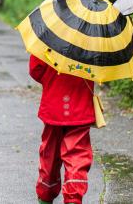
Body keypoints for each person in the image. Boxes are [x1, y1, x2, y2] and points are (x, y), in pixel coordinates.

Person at [29, 55, 95, 204]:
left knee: (49, 154)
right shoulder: (92, 40)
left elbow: (35, 69)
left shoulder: (49, 37)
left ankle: (45, 194)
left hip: (54, 105)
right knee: (77, 155)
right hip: (80, 106)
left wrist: (50, 80)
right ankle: (73, 198)